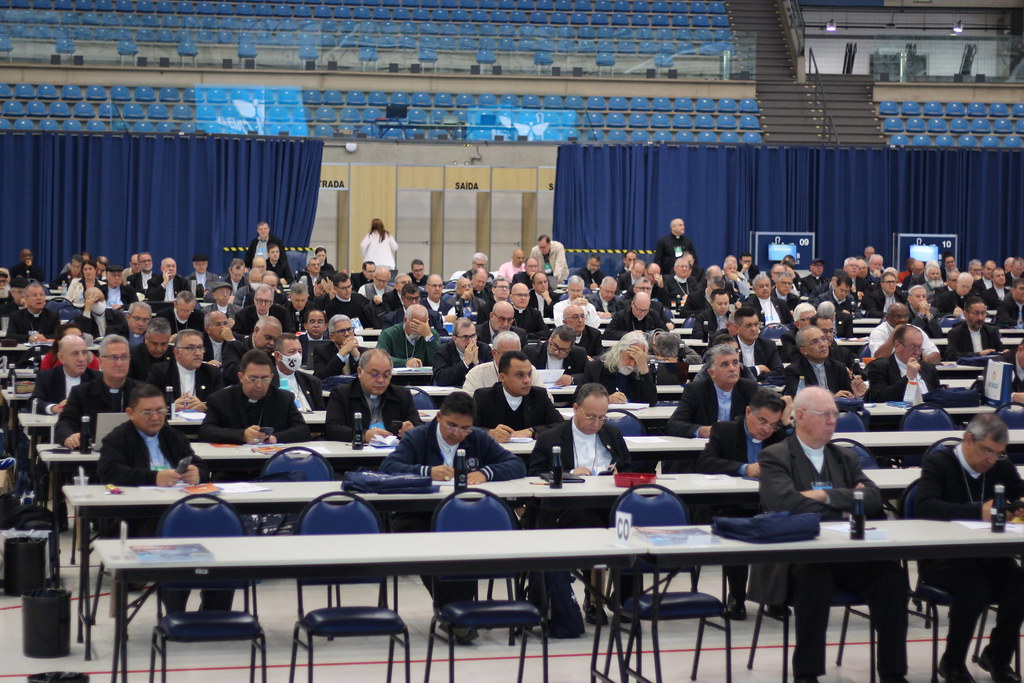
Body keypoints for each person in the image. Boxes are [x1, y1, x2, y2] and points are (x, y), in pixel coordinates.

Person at [754, 387, 909, 683]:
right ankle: (807, 673)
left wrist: (823, 496)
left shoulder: (844, 456)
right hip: (798, 556)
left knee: (891, 576)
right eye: (824, 415)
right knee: (816, 578)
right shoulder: (775, 456)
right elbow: (787, 505)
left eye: (834, 414)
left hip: (847, 551)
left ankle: (893, 673)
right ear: (800, 416)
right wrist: (847, 503)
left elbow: (873, 498)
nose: (832, 421)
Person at [380, 390, 526, 641]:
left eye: (465, 428)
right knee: (424, 540)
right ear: (439, 417)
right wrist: (426, 472)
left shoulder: (478, 437)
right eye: (452, 426)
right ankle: (455, 613)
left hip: (465, 516)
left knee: (465, 540)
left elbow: (516, 464)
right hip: (420, 513)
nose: (457, 433)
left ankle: (456, 615)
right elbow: (388, 468)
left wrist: (486, 473)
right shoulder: (418, 437)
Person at [914, 414, 1024, 683]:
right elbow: (925, 507)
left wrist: (1020, 503)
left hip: (987, 554)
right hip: (942, 555)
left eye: (998, 453)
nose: (992, 459)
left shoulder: (1000, 464)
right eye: (987, 451)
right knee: (976, 589)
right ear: (968, 439)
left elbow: (1018, 489)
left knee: (1019, 586)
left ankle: (997, 656)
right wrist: (977, 512)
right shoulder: (939, 462)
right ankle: (952, 663)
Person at [668, 388, 788, 618]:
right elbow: (706, 463)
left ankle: (774, 597)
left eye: (773, 424)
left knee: (784, 524)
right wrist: (743, 468)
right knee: (737, 525)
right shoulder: (725, 430)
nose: (767, 429)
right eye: (763, 421)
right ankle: (737, 596)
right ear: (748, 412)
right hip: (730, 503)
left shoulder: (779, 435)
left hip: (767, 503)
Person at [527, 382, 635, 624]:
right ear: (576, 409)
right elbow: (535, 474)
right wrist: (569, 474)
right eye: (591, 416)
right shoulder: (552, 438)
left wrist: (618, 473)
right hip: (567, 507)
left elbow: (628, 467)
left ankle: (625, 599)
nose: (596, 423)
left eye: (602, 417)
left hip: (609, 502)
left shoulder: (611, 434)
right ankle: (594, 599)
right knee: (591, 524)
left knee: (631, 526)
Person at [98, 383, 205, 488]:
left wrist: (196, 474)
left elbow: (199, 464)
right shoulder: (117, 438)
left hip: (177, 496)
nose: (155, 417)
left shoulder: (174, 436)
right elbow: (109, 473)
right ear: (130, 413)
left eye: (160, 410)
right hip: (137, 498)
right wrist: (154, 478)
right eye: (147, 412)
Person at [199, 349, 310, 444]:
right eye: (253, 379)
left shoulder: (284, 399)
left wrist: (275, 438)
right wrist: (242, 435)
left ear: (271, 377)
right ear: (241, 377)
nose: (259, 385)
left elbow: (303, 430)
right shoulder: (220, 399)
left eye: (265, 379)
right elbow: (206, 431)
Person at [55, 335, 141, 449]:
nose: (119, 363)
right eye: (114, 357)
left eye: (124, 357)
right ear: (101, 361)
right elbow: (64, 423)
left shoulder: (142, 392)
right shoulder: (81, 392)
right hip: (92, 457)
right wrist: (69, 436)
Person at [666, 343, 759, 438]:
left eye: (735, 363)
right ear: (711, 373)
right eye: (725, 364)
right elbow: (673, 425)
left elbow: (761, 421)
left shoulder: (749, 388)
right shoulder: (696, 390)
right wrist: (702, 431)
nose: (732, 369)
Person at [324, 349, 420, 442]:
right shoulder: (341, 394)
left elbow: (419, 426)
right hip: (356, 451)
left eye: (386, 375)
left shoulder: (402, 394)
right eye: (374, 374)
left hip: (394, 450)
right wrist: (363, 435)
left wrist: (412, 430)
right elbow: (332, 429)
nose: (380, 380)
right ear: (360, 372)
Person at [473, 350, 563, 442]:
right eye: (520, 375)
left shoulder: (539, 395)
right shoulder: (483, 397)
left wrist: (532, 432)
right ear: (502, 377)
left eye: (529, 374)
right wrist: (489, 433)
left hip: (531, 451)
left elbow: (561, 426)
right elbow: (469, 428)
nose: (527, 380)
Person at [144, 329, 223, 413]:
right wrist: (170, 408)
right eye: (191, 348)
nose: (198, 353)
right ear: (177, 352)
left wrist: (205, 408)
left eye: (200, 348)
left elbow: (221, 406)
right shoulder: (160, 372)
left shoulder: (212, 373)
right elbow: (147, 404)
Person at [783, 326, 867, 398]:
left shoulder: (839, 367)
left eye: (823, 339)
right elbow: (800, 399)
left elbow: (849, 396)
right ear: (804, 350)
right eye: (814, 342)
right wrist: (832, 399)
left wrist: (857, 393)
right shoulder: (794, 371)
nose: (822, 345)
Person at [577, 331, 657, 406]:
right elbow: (577, 400)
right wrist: (606, 400)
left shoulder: (642, 370)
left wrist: (644, 368)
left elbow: (651, 402)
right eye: (630, 357)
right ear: (619, 351)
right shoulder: (595, 368)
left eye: (638, 359)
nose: (632, 364)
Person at [866, 324, 941, 403]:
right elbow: (879, 398)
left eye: (919, 347)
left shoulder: (929, 368)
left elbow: (937, 397)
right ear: (897, 345)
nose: (917, 352)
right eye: (912, 347)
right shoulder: (879, 367)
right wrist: (908, 377)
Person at [29, 334, 99, 414]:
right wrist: (54, 408)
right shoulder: (46, 377)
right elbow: (33, 403)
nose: (81, 359)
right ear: (61, 357)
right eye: (75, 354)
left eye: (84, 353)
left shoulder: (97, 378)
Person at [463, 331, 543, 394]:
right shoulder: (476, 374)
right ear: (494, 353)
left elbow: (545, 399)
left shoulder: (530, 371)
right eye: (506, 354)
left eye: (515, 353)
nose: (511, 359)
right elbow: (467, 404)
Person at [868, 303, 942, 363]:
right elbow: (879, 358)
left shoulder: (915, 330)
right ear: (887, 318)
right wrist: (895, 333)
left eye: (905, 316)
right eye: (897, 316)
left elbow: (936, 356)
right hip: (886, 371)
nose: (902, 319)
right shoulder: (878, 332)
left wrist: (921, 362)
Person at [432, 317, 493, 387]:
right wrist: (465, 363)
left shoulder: (485, 349)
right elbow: (440, 379)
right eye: (465, 337)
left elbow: (491, 377)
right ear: (454, 338)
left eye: (473, 336)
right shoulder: (443, 350)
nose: (470, 341)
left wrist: (477, 364)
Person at [272, 334, 324, 413]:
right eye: (292, 352)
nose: (297, 356)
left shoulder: (312, 382)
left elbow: (321, 413)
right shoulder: (267, 380)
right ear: (278, 356)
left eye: (300, 352)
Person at [945, 296, 1005, 361]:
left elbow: (1001, 351)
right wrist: (979, 354)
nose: (980, 318)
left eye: (983, 313)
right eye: (976, 313)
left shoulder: (991, 331)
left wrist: (1006, 353)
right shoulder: (955, 333)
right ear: (966, 314)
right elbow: (952, 356)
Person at [733, 306, 783, 381]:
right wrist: (758, 369)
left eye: (756, 324)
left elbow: (780, 372)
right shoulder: (728, 346)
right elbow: (729, 374)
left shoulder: (768, 345)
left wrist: (753, 375)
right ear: (737, 328)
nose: (754, 329)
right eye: (748, 325)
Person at [312, 314, 362, 378]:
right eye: (341, 331)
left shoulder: (363, 351)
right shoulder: (321, 352)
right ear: (332, 337)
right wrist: (342, 353)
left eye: (349, 329)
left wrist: (356, 356)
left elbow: (369, 375)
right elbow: (320, 377)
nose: (347, 334)